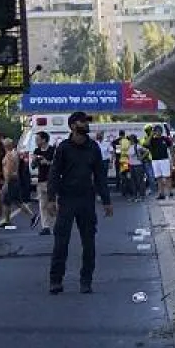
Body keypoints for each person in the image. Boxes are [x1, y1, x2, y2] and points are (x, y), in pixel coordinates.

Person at [48, 112, 113, 294]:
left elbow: (100, 175)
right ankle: (56, 280)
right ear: (72, 126)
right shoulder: (63, 148)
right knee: (61, 242)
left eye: (86, 122)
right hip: (67, 199)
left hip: (86, 200)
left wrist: (106, 200)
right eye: (82, 122)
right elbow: (54, 173)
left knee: (89, 243)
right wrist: (51, 199)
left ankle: (86, 280)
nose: (85, 124)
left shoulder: (93, 147)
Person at [31, 130, 57, 236]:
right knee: (42, 205)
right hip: (41, 180)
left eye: (38, 139)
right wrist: (34, 160)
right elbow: (33, 166)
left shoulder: (52, 150)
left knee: (53, 204)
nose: (36, 141)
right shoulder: (37, 150)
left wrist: (47, 162)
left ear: (44, 140)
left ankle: (56, 225)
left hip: (51, 180)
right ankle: (45, 227)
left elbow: (57, 164)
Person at [146, 125, 173, 201]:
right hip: (155, 160)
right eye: (156, 131)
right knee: (158, 177)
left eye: (159, 130)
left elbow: (171, 147)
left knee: (167, 176)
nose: (158, 132)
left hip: (164, 159)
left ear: (161, 131)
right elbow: (146, 144)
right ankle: (161, 193)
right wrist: (151, 134)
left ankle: (169, 192)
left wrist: (172, 158)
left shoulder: (165, 139)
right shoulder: (152, 140)